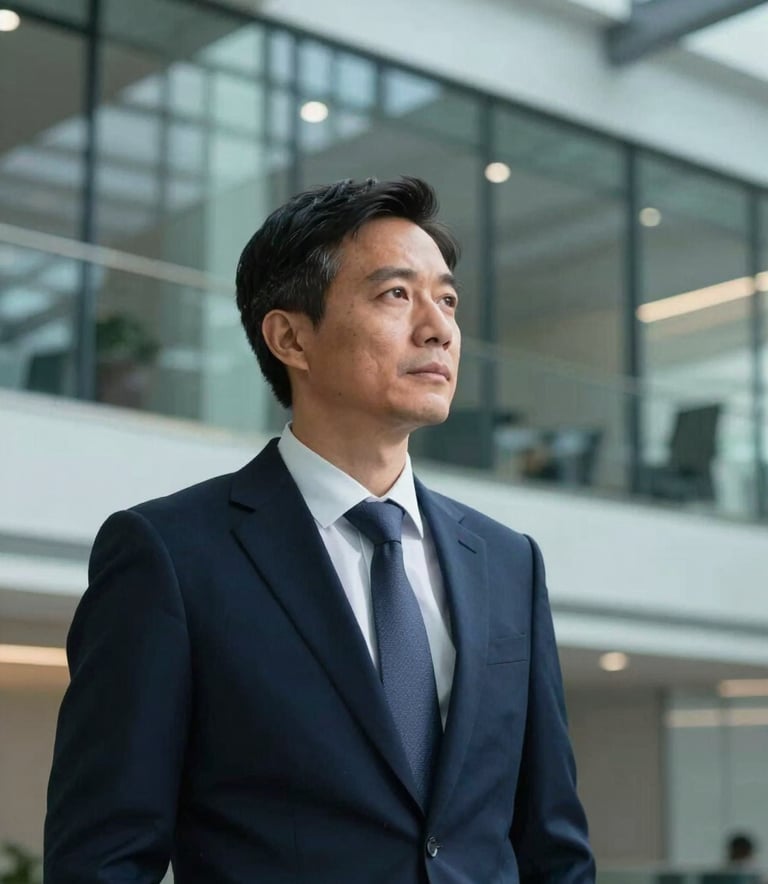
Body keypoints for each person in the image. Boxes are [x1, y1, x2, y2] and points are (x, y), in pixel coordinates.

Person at [44, 177, 595, 883]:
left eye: (447, 299)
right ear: (291, 337)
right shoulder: (171, 557)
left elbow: (552, 845)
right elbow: (102, 859)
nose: (439, 328)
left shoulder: (508, 563)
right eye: (396, 294)